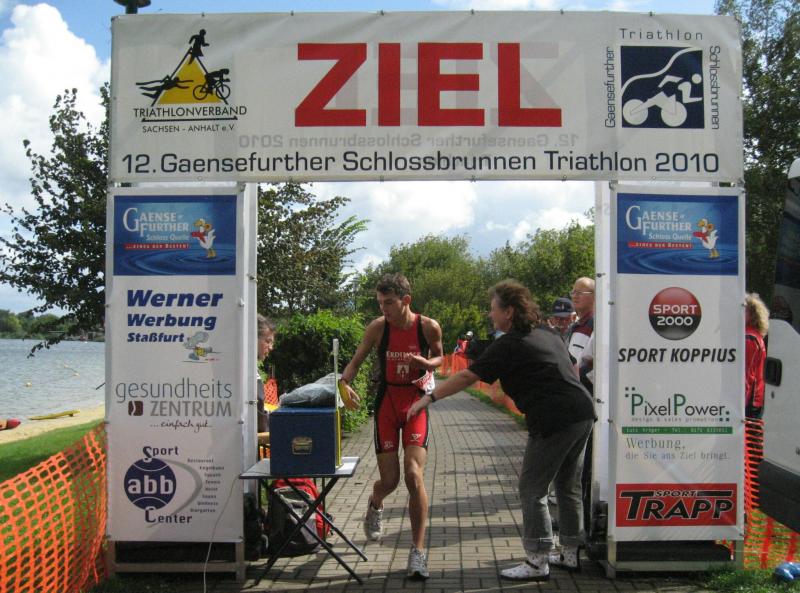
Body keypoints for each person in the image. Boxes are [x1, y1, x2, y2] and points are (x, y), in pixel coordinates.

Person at [407, 280, 596, 581]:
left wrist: (429, 398)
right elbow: (571, 367)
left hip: (554, 418)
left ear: (509, 311)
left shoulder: (509, 344)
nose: (490, 314)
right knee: (568, 485)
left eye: (493, 309)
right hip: (582, 411)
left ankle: (537, 560)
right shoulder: (547, 333)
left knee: (532, 488)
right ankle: (570, 553)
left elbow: (467, 376)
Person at [341, 273, 443, 580]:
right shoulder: (378, 327)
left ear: (405, 300)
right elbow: (356, 361)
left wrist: (427, 364)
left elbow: (441, 357)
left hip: (415, 402)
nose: (383, 308)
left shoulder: (428, 326)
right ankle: (375, 503)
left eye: (388, 303)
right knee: (390, 480)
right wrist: (344, 383)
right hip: (387, 403)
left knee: (413, 474)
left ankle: (418, 552)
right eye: (380, 303)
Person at [567, 278, 595, 391]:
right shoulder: (575, 326)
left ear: (595, 296)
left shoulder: (598, 325)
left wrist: (579, 380)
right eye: (573, 292)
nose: (575, 296)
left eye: (580, 293)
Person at [745, 293, 769, 419]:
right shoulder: (755, 335)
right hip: (754, 398)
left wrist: (739, 402)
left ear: (752, 315)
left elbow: (746, 374)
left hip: (749, 400)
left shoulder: (749, 337)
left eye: (744, 310)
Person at [256, 314, 276, 435]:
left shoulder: (249, 366)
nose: (271, 347)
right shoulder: (247, 369)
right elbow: (260, 423)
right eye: (268, 341)